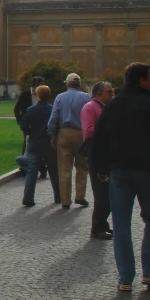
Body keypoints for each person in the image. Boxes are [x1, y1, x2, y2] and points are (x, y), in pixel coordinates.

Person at [93, 63, 150, 292]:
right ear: (141, 81)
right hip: (147, 170)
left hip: (119, 171)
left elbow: (100, 138)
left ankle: (125, 277)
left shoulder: (113, 105)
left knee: (121, 224)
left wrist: (100, 167)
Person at [47, 73, 92, 209]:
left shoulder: (60, 97)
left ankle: (65, 200)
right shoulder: (86, 97)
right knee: (82, 165)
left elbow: (54, 118)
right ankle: (80, 195)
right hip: (80, 133)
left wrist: (53, 135)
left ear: (67, 84)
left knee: (64, 167)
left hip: (64, 132)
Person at [80, 81, 114, 239]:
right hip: (96, 153)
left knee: (109, 192)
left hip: (107, 153)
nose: (112, 94)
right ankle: (97, 226)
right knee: (101, 193)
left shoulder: (105, 108)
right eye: (109, 91)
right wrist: (109, 131)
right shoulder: (90, 107)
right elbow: (88, 130)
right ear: (99, 93)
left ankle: (103, 223)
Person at [18, 85, 60, 206]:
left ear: (37, 96)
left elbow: (23, 125)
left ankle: (28, 198)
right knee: (53, 170)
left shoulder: (31, 109)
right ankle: (59, 196)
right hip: (48, 143)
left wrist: (30, 132)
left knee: (32, 170)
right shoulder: (53, 109)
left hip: (34, 142)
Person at [15, 76, 47, 177]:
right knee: (27, 146)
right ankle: (25, 168)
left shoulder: (42, 95)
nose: (41, 87)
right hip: (28, 125)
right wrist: (20, 122)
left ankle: (42, 169)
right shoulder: (25, 94)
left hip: (40, 125)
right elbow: (17, 109)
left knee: (40, 147)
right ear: (34, 86)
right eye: (40, 85)